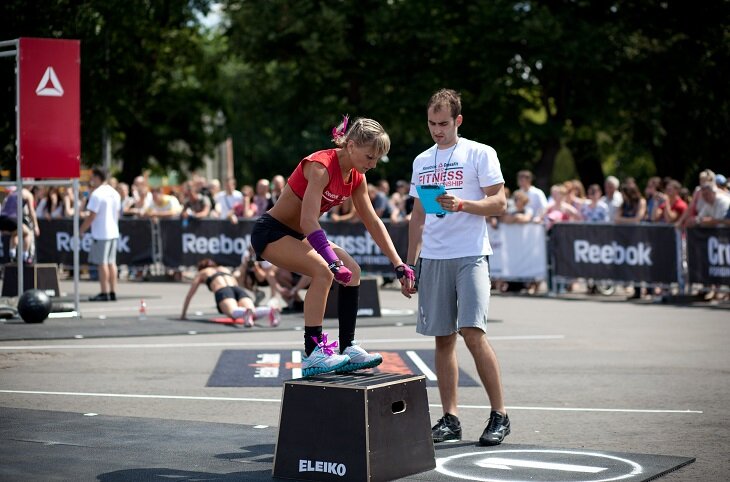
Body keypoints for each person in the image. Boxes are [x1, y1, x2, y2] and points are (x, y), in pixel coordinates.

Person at [250, 116, 414, 377]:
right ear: (350, 146)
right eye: (369, 157)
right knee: (324, 271)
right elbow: (308, 220)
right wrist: (332, 260)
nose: (372, 165)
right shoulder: (321, 166)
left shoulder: (356, 177)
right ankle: (313, 352)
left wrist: (398, 263)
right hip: (272, 232)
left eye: (376, 159)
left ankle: (348, 347)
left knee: (354, 271)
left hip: (300, 234)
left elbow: (372, 221)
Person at [403, 88, 510, 446]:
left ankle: (500, 415)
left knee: (472, 332)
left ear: (458, 121)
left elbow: (500, 203)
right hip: (433, 256)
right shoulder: (422, 160)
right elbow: (417, 216)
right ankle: (450, 418)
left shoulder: (479, 152)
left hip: (470, 253)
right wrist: (409, 264)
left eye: (444, 123)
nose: (437, 130)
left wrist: (464, 204)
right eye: (432, 123)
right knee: (443, 338)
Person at [181, 258, 278, 327]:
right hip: (237, 289)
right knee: (252, 311)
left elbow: (190, 295)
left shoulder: (203, 272)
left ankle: (245, 312)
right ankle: (270, 310)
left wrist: (183, 314)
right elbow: (236, 282)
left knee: (233, 312)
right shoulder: (224, 268)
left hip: (223, 290)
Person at [79, 168, 121, 301]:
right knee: (111, 263)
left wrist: (81, 230)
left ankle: (104, 292)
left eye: (93, 177)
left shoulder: (97, 194)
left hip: (101, 232)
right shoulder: (114, 193)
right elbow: (117, 213)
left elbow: (92, 215)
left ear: (97, 177)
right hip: (113, 231)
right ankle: (112, 291)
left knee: (102, 263)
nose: (91, 180)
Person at [0, 186, 40, 264]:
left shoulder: (13, 193)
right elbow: (31, 211)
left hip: (2, 219)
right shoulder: (28, 194)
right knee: (27, 233)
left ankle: (12, 256)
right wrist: (36, 226)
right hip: (12, 219)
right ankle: (24, 257)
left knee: (15, 233)